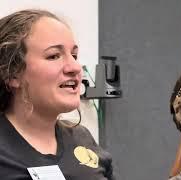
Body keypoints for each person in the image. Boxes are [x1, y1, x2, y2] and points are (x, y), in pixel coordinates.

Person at [0, 9, 113, 179]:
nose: (75, 67)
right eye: (54, 56)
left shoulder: (82, 139)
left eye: (74, 55)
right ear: (13, 74)